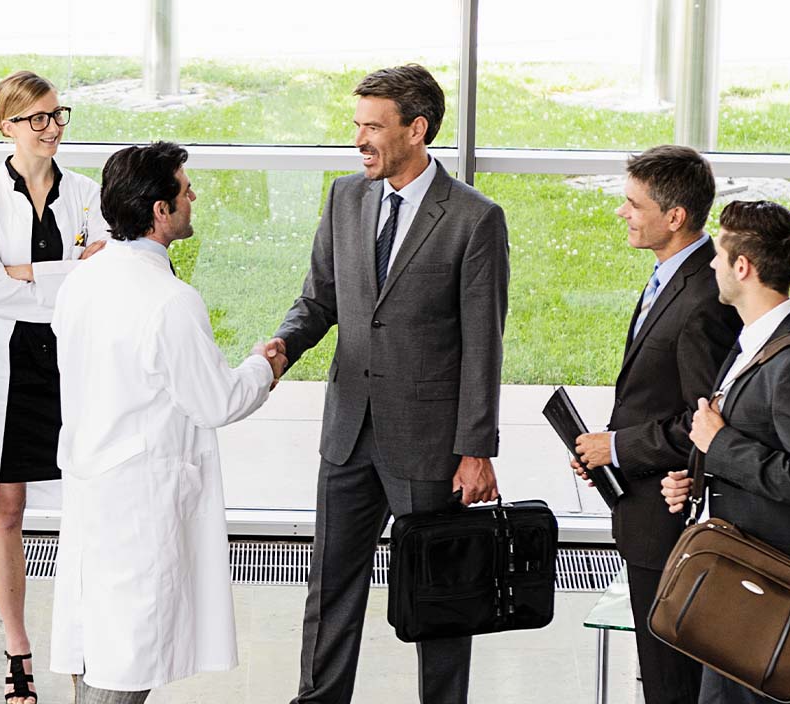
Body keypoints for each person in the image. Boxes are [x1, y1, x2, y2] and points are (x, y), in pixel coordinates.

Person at [266, 64, 509, 704]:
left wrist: (476, 448)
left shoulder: (474, 219)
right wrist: (283, 347)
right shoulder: (346, 197)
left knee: (440, 590)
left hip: (429, 441)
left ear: (416, 129)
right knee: (330, 584)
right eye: (357, 125)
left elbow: (484, 344)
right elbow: (319, 298)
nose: (360, 139)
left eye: (374, 127)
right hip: (348, 430)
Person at [49, 141, 284, 704]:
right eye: (184, 189)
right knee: (124, 668)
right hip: (139, 505)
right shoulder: (169, 300)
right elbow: (216, 401)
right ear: (159, 210)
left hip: (94, 488)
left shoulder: (83, 279)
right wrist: (263, 366)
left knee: (97, 653)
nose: (193, 196)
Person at [0, 70, 108, 704]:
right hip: (7, 367)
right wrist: (67, 272)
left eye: (57, 115)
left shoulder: (87, 194)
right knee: (5, 506)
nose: (52, 129)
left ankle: (82, 642)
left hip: (70, 363)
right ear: (5, 127)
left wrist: (28, 275)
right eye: (36, 119)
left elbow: (103, 275)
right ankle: (19, 652)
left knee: (84, 504)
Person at [661, 200, 790, 704]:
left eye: (719, 254)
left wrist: (719, 445)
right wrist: (699, 476)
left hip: (766, 594)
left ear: (743, 267)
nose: (710, 264)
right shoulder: (754, 344)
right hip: (738, 582)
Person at [572, 145, 741, 704]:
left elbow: (702, 422)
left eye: (632, 203)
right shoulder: (673, 275)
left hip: (667, 519)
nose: (622, 212)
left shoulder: (702, 298)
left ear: (675, 217)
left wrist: (616, 447)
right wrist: (602, 451)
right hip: (641, 504)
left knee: (669, 679)